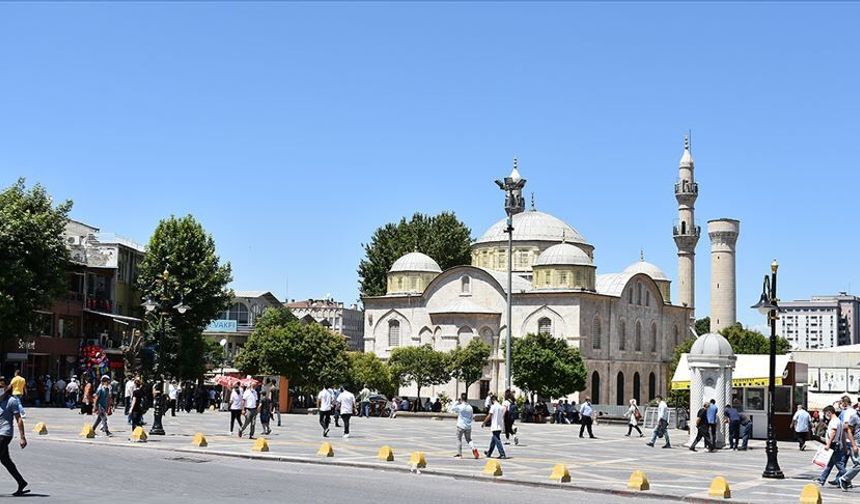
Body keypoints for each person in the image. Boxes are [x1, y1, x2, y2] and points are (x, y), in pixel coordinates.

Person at [0, 377, 29, 496]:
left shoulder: (12, 401)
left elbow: (19, 419)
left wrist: (22, 437)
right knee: (5, 460)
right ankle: (21, 482)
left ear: (6, 388)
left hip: (5, 434)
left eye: (1, 387)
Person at [817, 405, 846, 486]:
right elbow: (842, 434)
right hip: (836, 444)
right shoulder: (839, 421)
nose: (826, 415)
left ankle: (847, 478)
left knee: (839, 464)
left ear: (829, 412)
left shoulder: (834, 421)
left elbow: (833, 433)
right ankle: (822, 479)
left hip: (833, 444)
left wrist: (828, 444)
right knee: (830, 464)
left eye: (826, 413)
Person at [837, 398, 860, 490]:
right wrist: (853, 444)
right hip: (857, 443)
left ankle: (846, 480)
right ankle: (844, 479)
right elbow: (849, 430)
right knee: (859, 464)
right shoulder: (854, 416)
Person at [449, 393, 479, 458]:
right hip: (468, 426)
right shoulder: (470, 407)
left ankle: (459, 453)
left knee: (459, 439)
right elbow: (471, 417)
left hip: (460, 425)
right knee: (469, 439)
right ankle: (474, 448)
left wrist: (457, 401)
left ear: (461, 398)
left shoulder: (460, 406)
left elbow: (452, 408)